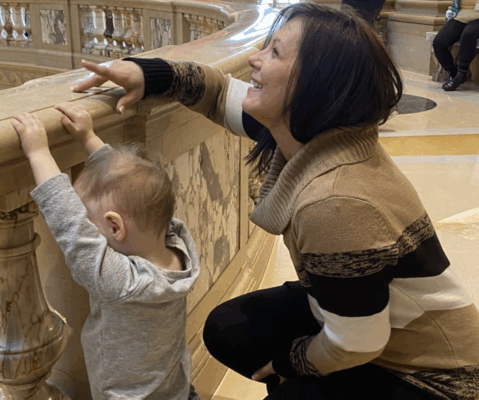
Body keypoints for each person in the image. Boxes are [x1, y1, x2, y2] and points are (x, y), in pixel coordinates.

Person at [72, 2, 479, 400]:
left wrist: (289, 365)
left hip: (434, 376)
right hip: (372, 326)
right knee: (229, 328)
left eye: (275, 52)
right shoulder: (313, 135)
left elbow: (357, 343)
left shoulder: (336, 201)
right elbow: (214, 93)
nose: (254, 58)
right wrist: (147, 73)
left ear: (313, 86)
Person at [10, 102, 201, 400]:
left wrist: (38, 153)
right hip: (176, 390)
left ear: (114, 227)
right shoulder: (177, 248)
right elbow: (128, 182)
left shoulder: (121, 282)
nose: (86, 226)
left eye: (91, 222)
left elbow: (69, 224)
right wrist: (88, 138)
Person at [433, 0, 479, 91]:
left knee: (468, 34)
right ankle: (454, 73)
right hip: (461, 15)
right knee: (439, 42)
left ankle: (461, 72)